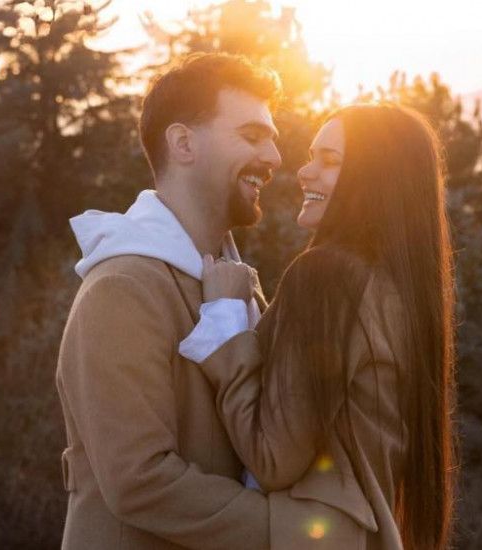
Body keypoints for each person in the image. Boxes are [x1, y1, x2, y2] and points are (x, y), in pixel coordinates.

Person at [55, 53, 349, 549]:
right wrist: (295, 530)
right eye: (252, 136)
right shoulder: (122, 289)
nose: (276, 158)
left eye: (272, 138)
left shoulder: (237, 284)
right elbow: (139, 481)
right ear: (184, 143)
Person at [180, 103, 458, 550]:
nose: (304, 172)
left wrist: (225, 321)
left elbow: (272, 458)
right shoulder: (397, 289)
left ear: (375, 180)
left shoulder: (327, 277)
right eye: (312, 156)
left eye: (329, 161)